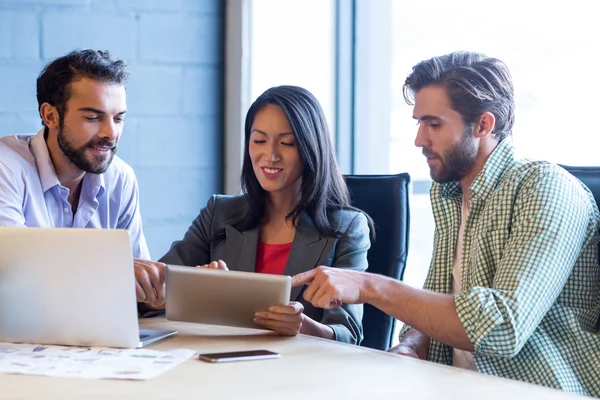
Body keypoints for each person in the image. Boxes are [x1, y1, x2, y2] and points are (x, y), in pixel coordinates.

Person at [292, 52, 600, 396]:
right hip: (455, 386)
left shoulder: (547, 189)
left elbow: (501, 326)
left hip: (538, 390)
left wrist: (368, 286)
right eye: (418, 123)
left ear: (483, 125)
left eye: (433, 124)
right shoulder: (450, 193)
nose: (419, 140)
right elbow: (442, 300)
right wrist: (412, 345)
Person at [136, 85, 372, 344]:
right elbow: (150, 296)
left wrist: (303, 325)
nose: (270, 156)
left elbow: (348, 335)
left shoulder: (347, 228)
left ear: (310, 148)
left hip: (299, 371)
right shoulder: (219, 214)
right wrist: (190, 288)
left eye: (287, 143)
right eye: (259, 140)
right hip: (220, 361)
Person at [0, 49, 149, 260]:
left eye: (118, 119)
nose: (111, 134)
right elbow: (12, 272)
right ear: (50, 116)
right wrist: (113, 270)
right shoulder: (6, 170)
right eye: (93, 118)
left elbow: (139, 282)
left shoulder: (121, 180)